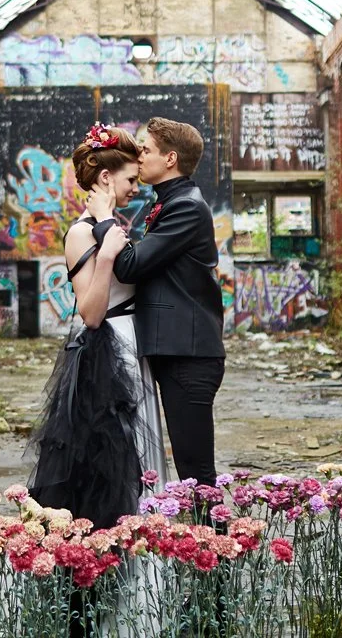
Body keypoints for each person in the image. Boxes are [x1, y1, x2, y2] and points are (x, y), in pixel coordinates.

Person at [27, 123, 167, 531]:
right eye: (129, 179)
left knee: (141, 453)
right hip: (107, 354)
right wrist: (107, 256)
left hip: (129, 346)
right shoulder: (80, 232)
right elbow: (90, 312)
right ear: (105, 178)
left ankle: (145, 568)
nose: (135, 188)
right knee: (114, 459)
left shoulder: (109, 226)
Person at [89, 117, 224, 488]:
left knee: (196, 472)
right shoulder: (172, 203)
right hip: (179, 352)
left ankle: (220, 546)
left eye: (146, 150)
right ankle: (209, 542)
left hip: (189, 355)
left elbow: (131, 266)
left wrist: (103, 219)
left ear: (170, 159)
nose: (140, 156)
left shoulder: (185, 207)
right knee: (192, 470)